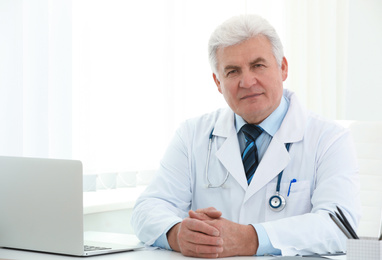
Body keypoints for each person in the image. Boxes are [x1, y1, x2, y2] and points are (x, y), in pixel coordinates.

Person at [131, 14, 361, 258]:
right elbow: (147, 208)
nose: (247, 81)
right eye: (232, 71)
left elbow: (339, 227)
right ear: (217, 82)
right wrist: (177, 234)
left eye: (258, 65)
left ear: (283, 68)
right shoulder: (192, 135)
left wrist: (251, 238)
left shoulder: (329, 139)